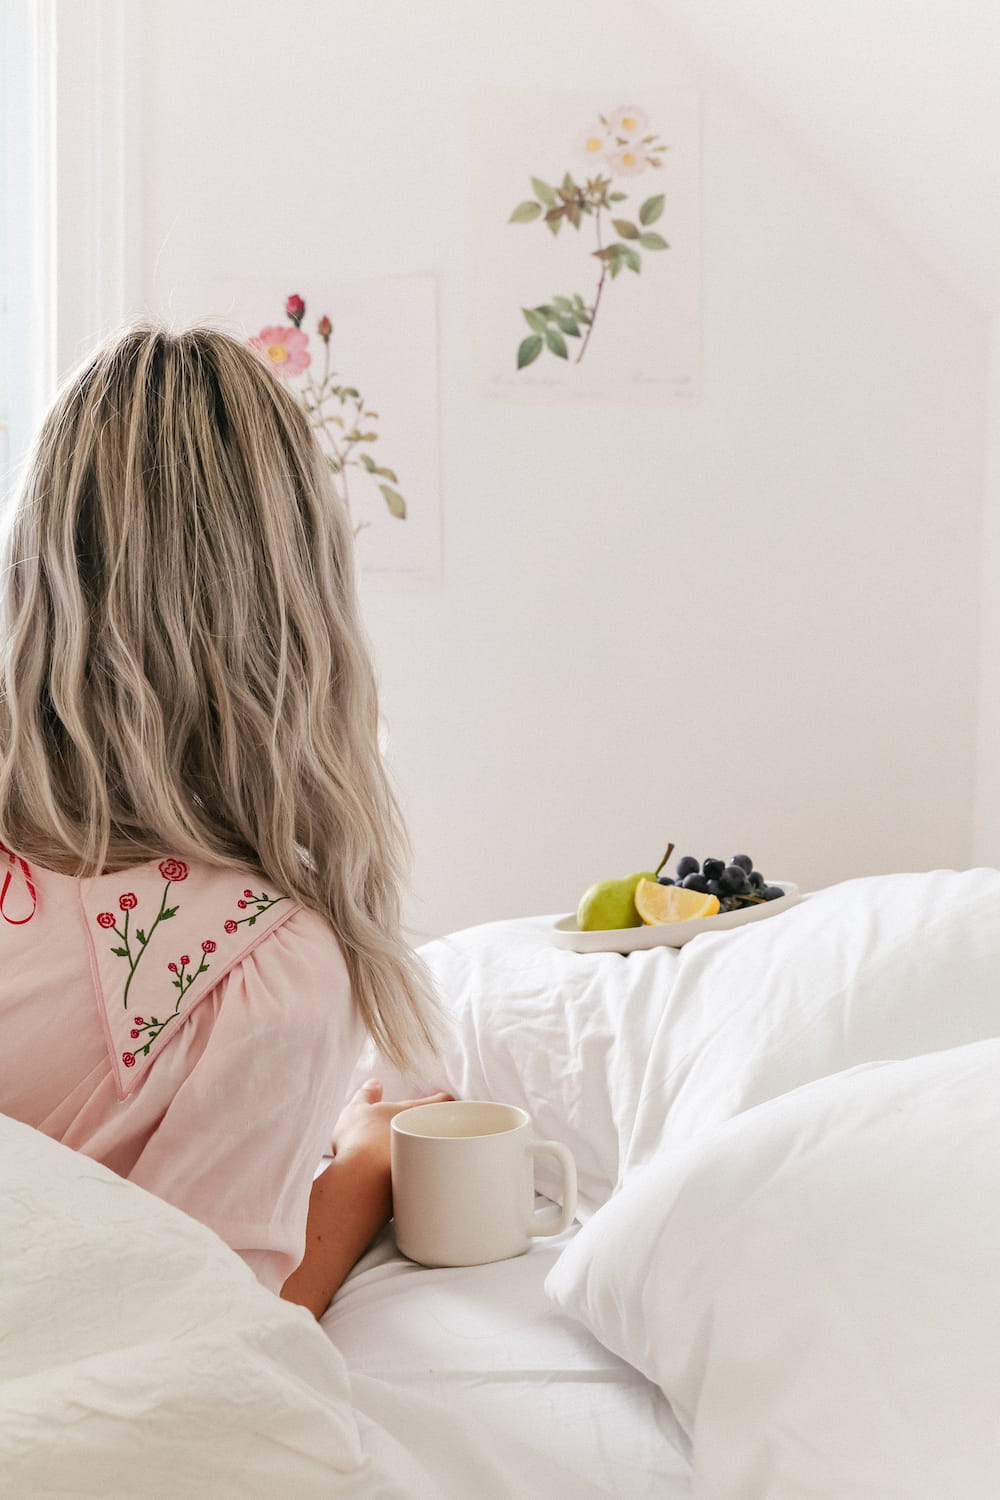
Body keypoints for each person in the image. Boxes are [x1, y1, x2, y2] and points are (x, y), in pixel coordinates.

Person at [0, 324, 448, 1318]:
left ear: (32, 570)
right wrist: (369, 1165)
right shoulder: (261, 970)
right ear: (300, 605)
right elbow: (209, 1340)